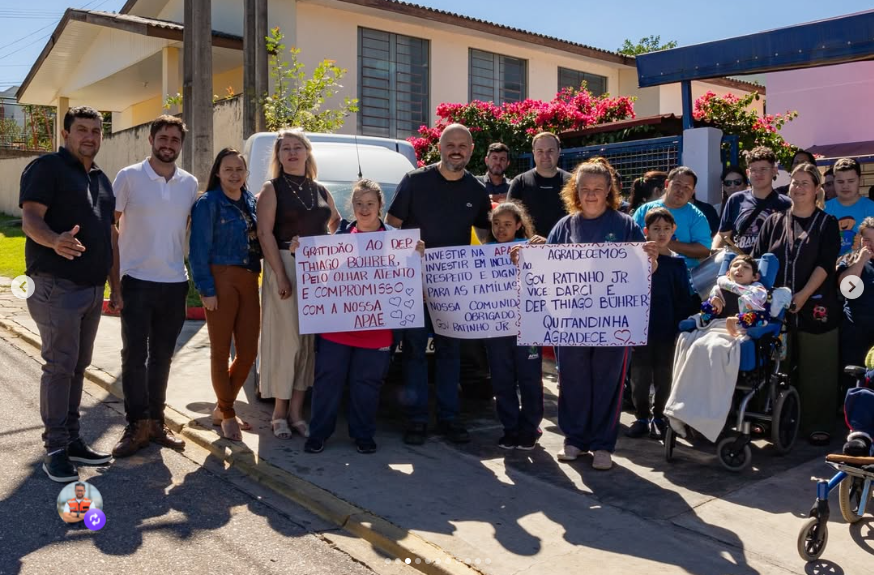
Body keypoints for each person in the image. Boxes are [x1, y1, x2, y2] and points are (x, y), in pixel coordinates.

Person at [537, 159, 658, 470]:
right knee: (573, 380)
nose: (591, 195)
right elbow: (547, 273)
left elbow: (641, 271)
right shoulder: (564, 227)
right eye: (585, 189)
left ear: (609, 192)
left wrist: (651, 261)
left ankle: (603, 444)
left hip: (613, 322)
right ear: (575, 191)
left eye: (597, 189)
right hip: (572, 322)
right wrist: (524, 260)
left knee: (607, 381)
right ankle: (574, 439)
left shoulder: (625, 225)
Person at [20, 106, 114, 483]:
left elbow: (109, 234)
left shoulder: (101, 179)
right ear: (65, 134)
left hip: (93, 289)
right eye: (81, 130)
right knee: (59, 367)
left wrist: (115, 286)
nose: (89, 136)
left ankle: (73, 440)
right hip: (56, 286)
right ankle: (55, 449)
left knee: (77, 367)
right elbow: (30, 218)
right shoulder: (47, 168)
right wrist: (54, 240)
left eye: (96, 130)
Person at [386, 123, 492, 446]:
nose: (456, 150)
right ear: (440, 148)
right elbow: (391, 225)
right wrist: (406, 260)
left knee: (450, 353)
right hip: (415, 285)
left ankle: (449, 418)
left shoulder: (476, 190)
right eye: (450, 144)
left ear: (471, 150)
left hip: (454, 290)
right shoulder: (415, 182)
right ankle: (416, 420)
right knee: (415, 352)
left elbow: (486, 236)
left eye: (462, 145)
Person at [304, 180, 420, 454]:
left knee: (366, 386)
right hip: (337, 328)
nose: (364, 209)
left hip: (377, 331)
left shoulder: (399, 241)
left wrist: (417, 256)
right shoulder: (338, 239)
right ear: (351, 206)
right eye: (359, 203)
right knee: (327, 382)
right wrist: (303, 253)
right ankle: (318, 433)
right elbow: (320, 275)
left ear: (381, 206)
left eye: (370, 203)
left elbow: (410, 282)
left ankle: (363, 434)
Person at [109, 115, 197, 458]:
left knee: (162, 357)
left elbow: (186, 227)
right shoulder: (129, 177)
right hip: (136, 281)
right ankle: (136, 424)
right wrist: (114, 284)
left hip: (175, 283)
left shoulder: (189, 183)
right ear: (151, 139)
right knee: (134, 357)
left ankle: (156, 422)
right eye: (163, 137)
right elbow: (109, 228)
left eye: (175, 140)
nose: (168, 144)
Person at [256, 128, 341, 440]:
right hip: (285, 266)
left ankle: (296, 413)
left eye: (297, 147)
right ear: (278, 156)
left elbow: (337, 222)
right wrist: (279, 274)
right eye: (285, 148)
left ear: (307, 152)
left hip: (318, 271)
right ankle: (278, 412)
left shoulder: (320, 189)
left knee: (308, 343)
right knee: (286, 340)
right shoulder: (272, 189)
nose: (291, 153)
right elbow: (264, 234)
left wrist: (329, 248)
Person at [753, 162, 841, 445]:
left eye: (805, 183)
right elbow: (759, 261)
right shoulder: (774, 221)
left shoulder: (827, 224)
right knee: (773, 365)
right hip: (776, 310)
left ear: (817, 189)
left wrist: (801, 296)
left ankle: (817, 423)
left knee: (819, 368)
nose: (798, 187)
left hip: (816, 305)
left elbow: (826, 264)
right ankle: (769, 420)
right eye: (795, 182)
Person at [189, 148, 261, 442]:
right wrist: (206, 289)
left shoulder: (251, 200)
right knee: (220, 351)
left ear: (246, 173)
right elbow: (197, 250)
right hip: (221, 278)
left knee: (248, 352)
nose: (234, 174)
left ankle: (221, 407)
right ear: (218, 172)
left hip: (249, 278)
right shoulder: (208, 203)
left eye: (239, 169)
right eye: (228, 169)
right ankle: (228, 412)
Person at [483, 201, 545, 450]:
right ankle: (510, 428)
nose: (501, 229)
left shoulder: (533, 249)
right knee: (501, 380)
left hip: (527, 328)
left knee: (530, 379)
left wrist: (538, 253)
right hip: (496, 329)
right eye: (496, 224)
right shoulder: (482, 252)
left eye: (507, 224)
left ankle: (529, 428)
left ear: (519, 225)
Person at [626, 208, 691, 440]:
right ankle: (641, 416)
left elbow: (684, 298)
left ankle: (660, 416)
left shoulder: (678, 264)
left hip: (667, 329)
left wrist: (682, 327)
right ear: (646, 232)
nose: (661, 233)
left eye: (666, 229)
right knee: (639, 375)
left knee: (664, 375)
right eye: (656, 229)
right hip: (640, 329)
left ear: (674, 230)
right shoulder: (635, 260)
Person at [715, 146, 792, 254]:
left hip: (771, 266)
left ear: (774, 171)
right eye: (753, 170)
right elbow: (723, 235)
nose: (758, 174)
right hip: (741, 266)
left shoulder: (786, 204)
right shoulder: (735, 200)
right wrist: (714, 250)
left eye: (763, 169)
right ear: (747, 173)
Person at [632, 166, 711, 269]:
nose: (681, 190)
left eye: (687, 187)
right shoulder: (644, 210)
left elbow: (704, 250)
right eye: (677, 184)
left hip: (684, 273)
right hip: (646, 270)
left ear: (692, 192)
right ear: (667, 184)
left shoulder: (697, 217)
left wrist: (664, 244)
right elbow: (630, 240)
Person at [506, 132, 571, 237]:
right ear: (533, 153)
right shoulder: (520, 182)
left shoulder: (572, 182)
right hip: (529, 248)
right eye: (540, 151)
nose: (545, 156)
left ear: (559, 152)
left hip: (563, 249)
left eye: (551, 151)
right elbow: (509, 218)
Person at [837, 217, 874, 398]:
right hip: (855, 330)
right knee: (853, 379)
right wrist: (860, 261)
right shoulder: (849, 260)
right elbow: (846, 288)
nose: (871, 245)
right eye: (867, 240)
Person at [706, 255, 768, 338]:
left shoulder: (757, 294)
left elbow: (762, 318)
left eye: (746, 267)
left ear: (755, 277)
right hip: (715, 329)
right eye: (735, 265)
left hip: (739, 332)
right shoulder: (718, 291)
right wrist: (711, 304)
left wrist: (739, 319)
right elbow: (705, 317)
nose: (739, 268)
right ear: (728, 274)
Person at [824, 158, 874, 257]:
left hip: (864, 268)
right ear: (834, 181)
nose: (845, 186)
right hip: (830, 269)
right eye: (840, 182)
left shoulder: (871, 208)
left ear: (860, 180)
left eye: (851, 181)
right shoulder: (823, 209)